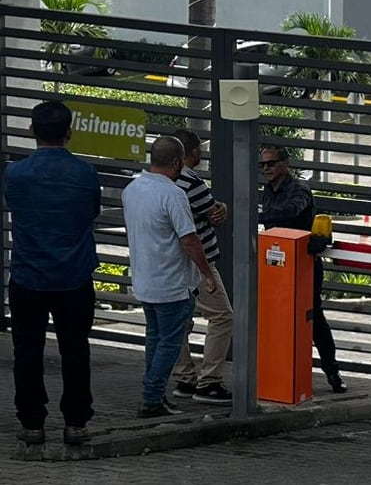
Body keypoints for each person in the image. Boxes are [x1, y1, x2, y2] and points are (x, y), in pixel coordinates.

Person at [4, 101, 101, 447]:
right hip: (74, 277)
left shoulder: (14, 174)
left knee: (27, 350)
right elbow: (91, 213)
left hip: (28, 275)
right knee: (75, 349)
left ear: (32, 131)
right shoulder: (86, 174)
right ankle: (76, 422)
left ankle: (32, 423)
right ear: (69, 133)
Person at [123, 136, 217, 418]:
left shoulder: (132, 189)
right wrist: (206, 272)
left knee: (154, 338)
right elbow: (189, 239)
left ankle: (152, 396)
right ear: (177, 162)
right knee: (169, 343)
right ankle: (152, 398)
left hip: (145, 279)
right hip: (173, 283)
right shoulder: (172, 194)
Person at [259, 146, 346, 393]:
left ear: (285, 164)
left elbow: (293, 211)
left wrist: (259, 217)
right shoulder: (268, 190)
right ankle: (280, 372)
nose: (266, 169)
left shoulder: (299, 188)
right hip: (277, 264)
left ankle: (333, 372)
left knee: (314, 318)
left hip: (304, 264)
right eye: (262, 165)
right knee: (277, 317)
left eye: (271, 163)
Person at [169, 129, 234, 405]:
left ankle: (184, 377)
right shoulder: (192, 182)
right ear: (192, 153)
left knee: (179, 322)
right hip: (199, 262)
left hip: (171, 264)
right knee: (222, 316)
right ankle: (209, 381)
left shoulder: (158, 181)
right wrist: (222, 208)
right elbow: (214, 216)